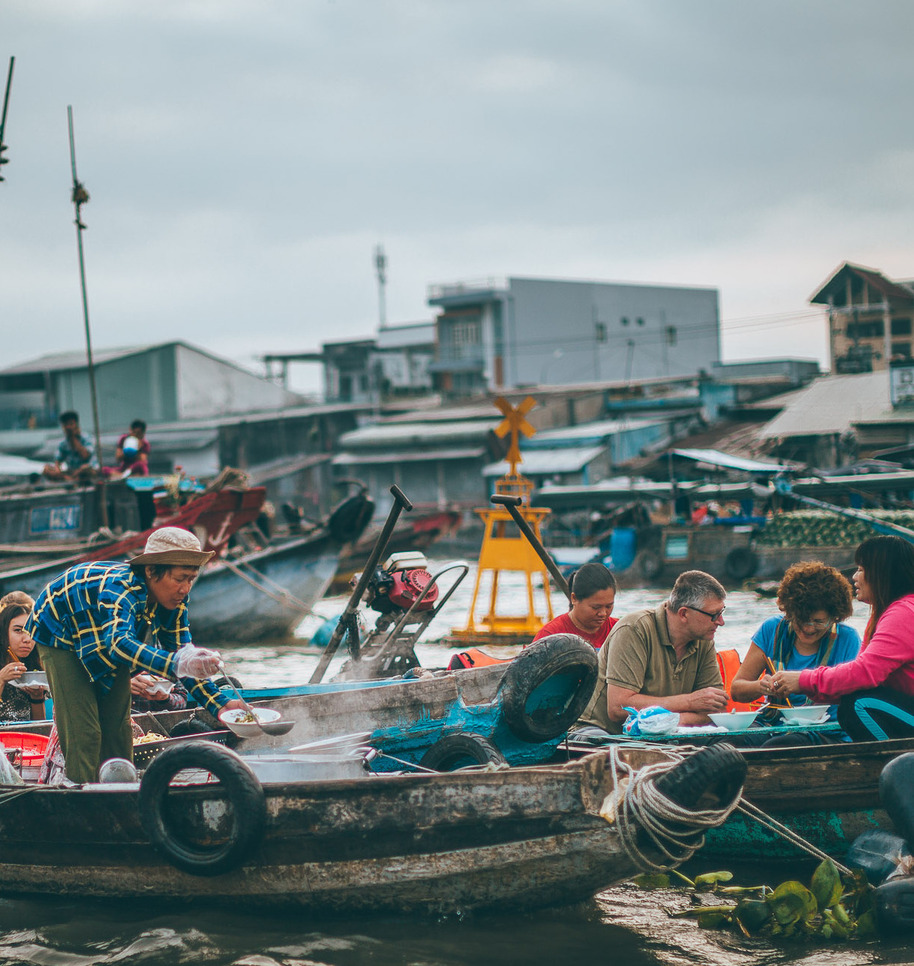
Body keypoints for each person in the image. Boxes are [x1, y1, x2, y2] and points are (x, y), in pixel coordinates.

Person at [25, 526, 243, 783]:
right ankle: (83, 794)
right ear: (151, 571)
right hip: (60, 630)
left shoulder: (176, 600)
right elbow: (119, 644)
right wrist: (177, 662)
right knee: (85, 732)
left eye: (191, 579)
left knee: (118, 729)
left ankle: (122, 793)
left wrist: (221, 705)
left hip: (102, 635)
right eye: (180, 578)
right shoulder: (121, 589)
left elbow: (182, 658)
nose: (185, 588)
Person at [770, 536, 914, 741]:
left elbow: (864, 673)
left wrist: (803, 680)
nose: (854, 577)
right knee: (855, 698)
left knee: (857, 704)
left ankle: (889, 757)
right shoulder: (886, 613)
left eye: (861, 569)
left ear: (882, 574)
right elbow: (860, 680)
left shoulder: (903, 613)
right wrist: (807, 686)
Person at [578, 570, 729, 734]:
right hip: (599, 730)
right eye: (714, 615)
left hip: (664, 734)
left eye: (722, 612)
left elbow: (716, 710)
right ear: (684, 613)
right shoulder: (634, 629)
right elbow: (618, 708)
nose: (721, 622)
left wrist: (671, 722)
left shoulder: (704, 639)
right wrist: (689, 702)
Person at [730, 561, 860, 746]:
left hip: (828, 730)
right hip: (773, 723)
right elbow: (737, 690)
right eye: (801, 619)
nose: (808, 628)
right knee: (731, 742)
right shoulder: (772, 629)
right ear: (789, 612)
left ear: (835, 617)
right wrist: (761, 686)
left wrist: (803, 683)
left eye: (818, 622)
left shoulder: (847, 638)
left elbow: (853, 692)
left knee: (778, 746)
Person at [532, 562, 617, 648]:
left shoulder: (618, 630)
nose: (603, 613)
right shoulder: (550, 636)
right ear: (574, 598)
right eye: (596, 607)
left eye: (608, 606)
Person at [0, 592, 48, 722]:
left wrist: (37, 698)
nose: (27, 639)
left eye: (31, 631)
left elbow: (38, 726)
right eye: (18, 630)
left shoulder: (34, 671)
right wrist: (1, 679)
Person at [42, 411, 98, 482]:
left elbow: (85, 456)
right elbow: (57, 461)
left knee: (85, 468)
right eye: (66, 425)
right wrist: (57, 471)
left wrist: (73, 438)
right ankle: (70, 479)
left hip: (87, 471)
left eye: (71, 424)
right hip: (72, 472)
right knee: (47, 469)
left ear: (76, 425)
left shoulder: (86, 438)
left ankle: (72, 479)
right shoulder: (63, 444)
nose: (68, 427)